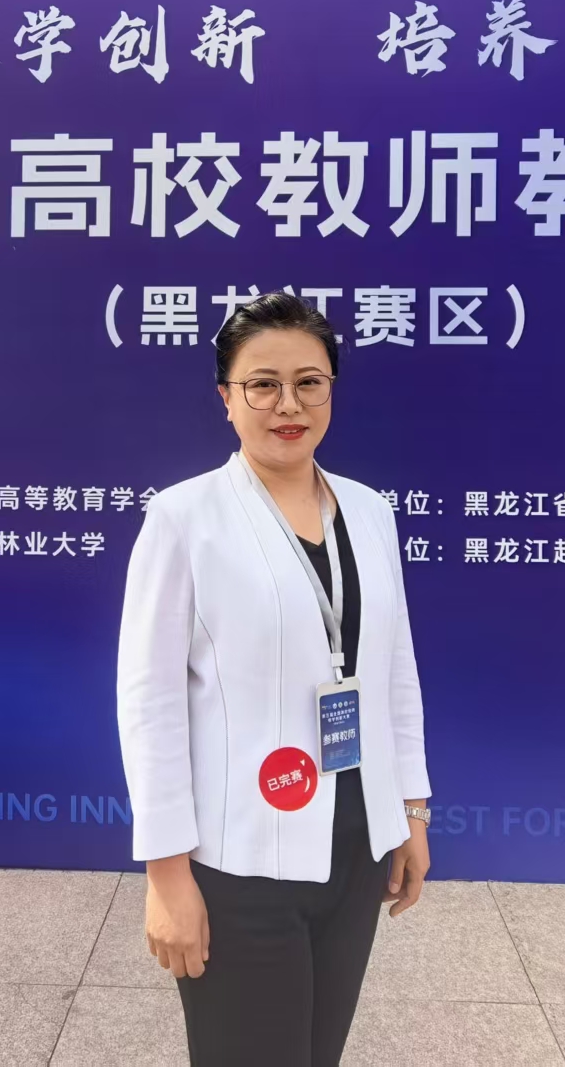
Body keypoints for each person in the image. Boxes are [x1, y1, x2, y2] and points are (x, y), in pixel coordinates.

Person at [116, 291, 432, 1067]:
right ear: (226, 397)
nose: (288, 404)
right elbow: (150, 700)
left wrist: (412, 809)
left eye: (308, 382)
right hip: (240, 857)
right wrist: (166, 874)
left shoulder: (370, 511)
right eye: (263, 384)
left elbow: (394, 669)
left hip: (357, 845)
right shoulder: (184, 518)